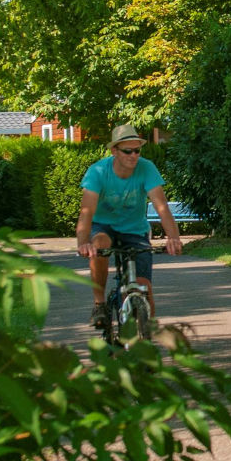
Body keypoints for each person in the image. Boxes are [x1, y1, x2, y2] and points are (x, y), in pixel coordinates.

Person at [76, 125, 184, 328]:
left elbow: (162, 208)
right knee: (99, 245)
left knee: (143, 287)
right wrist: (83, 243)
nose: (134, 155)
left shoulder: (147, 168)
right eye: (128, 151)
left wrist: (173, 238)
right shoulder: (98, 172)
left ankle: (147, 333)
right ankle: (99, 304)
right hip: (104, 226)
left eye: (137, 150)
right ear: (114, 151)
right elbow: (87, 212)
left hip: (135, 230)